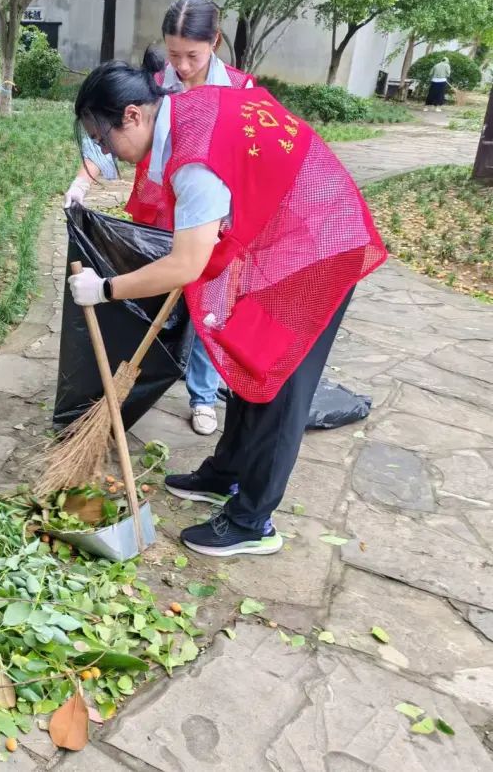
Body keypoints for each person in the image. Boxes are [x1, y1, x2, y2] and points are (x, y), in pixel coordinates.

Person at [66, 53, 386, 557]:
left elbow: (184, 265)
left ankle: (252, 522)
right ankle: (226, 472)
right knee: (245, 356)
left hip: (317, 247)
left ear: (133, 115)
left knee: (280, 382)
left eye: (103, 138)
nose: (107, 152)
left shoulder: (194, 161)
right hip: (283, 236)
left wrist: (106, 288)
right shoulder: (184, 111)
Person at [65, 0, 253, 436]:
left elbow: (238, 167)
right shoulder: (154, 84)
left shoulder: (237, 89)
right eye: (173, 54)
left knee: (210, 300)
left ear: (215, 42)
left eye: (193, 55)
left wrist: (104, 288)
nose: (182, 66)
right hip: (161, 203)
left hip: (212, 211)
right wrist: (82, 181)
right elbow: (111, 132)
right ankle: (138, 377)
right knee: (157, 293)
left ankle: (203, 395)